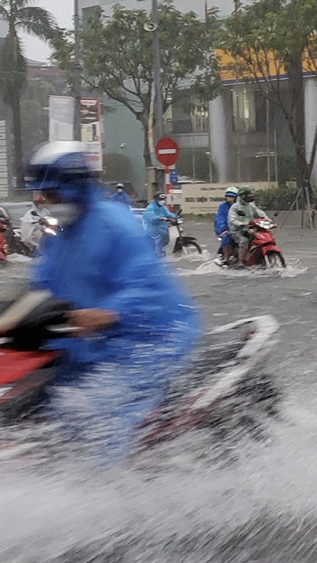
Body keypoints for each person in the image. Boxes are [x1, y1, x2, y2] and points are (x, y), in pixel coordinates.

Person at [24, 141, 200, 454]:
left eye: (51, 193)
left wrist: (106, 314)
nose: (44, 201)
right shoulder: (58, 240)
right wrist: (9, 317)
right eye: (42, 194)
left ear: (74, 186)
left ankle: (105, 491)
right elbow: (40, 288)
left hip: (145, 346)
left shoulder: (116, 226)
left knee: (91, 417)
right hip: (85, 351)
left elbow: (147, 286)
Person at [228, 186, 267, 266]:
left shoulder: (251, 206)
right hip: (237, 231)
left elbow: (259, 213)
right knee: (244, 241)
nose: (251, 196)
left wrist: (268, 220)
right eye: (249, 194)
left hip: (250, 229)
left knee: (263, 238)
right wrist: (241, 223)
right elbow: (232, 220)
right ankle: (240, 261)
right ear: (243, 196)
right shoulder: (235, 207)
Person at [142, 192, 178, 257]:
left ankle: (161, 252)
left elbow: (168, 214)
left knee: (166, 238)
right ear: (156, 200)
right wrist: (159, 218)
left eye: (163, 200)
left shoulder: (162, 207)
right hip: (153, 228)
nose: (162, 201)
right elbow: (151, 217)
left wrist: (175, 216)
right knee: (162, 236)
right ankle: (156, 253)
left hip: (162, 227)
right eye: (160, 200)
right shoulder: (150, 207)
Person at [214, 187, 239, 264]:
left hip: (240, 227)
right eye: (228, 196)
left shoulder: (241, 206)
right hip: (227, 228)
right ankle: (226, 258)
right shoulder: (223, 206)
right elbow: (220, 219)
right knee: (226, 237)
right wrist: (224, 229)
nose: (229, 198)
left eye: (232, 196)